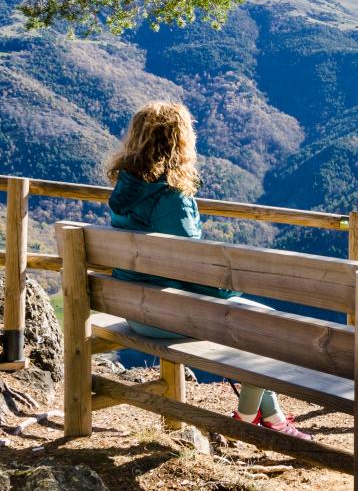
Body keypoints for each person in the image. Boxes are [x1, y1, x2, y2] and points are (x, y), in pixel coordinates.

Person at [105, 101, 311, 440]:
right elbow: (199, 274)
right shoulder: (173, 201)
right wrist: (230, 292)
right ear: (181, 143)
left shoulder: (125, 193)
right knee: (269, 327)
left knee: (258, 322)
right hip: (164, 315)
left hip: (134, 309)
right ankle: (242, 422)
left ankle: (271, 419)